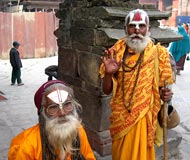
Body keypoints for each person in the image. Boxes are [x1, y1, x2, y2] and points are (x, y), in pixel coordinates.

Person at [99, 9, 174, 160]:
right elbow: (106, 91)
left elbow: (163, 89)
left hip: (144, 118)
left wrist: (166, 95)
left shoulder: (159, 54)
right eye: (132, 25)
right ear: (125, 29)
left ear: (149, 29)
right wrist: (108, 74)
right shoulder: (116, 53)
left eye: (142, 26)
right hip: (121, 118)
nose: (137, 30)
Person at [8, 80, 96, 160]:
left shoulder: (78, 131)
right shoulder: (27, 146)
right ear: (43, 113)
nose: (62, 113)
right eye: (53, 107)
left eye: (67, 104)